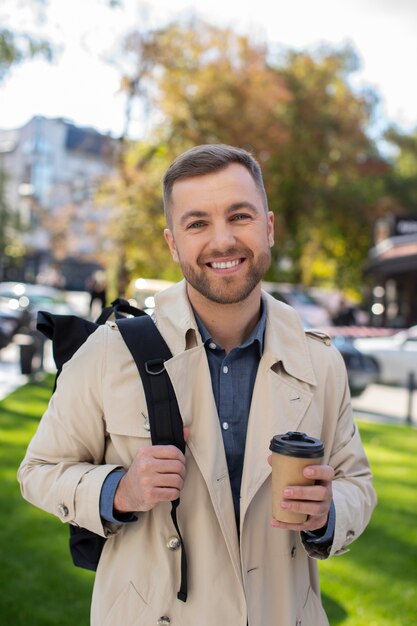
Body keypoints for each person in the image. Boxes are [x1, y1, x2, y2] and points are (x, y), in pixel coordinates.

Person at [18, 144, 376, 626]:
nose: (223, 240)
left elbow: (357, 483)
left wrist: (329, 511)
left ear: (268, 227)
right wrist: (118, 490)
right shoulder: (108, 351)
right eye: (197, 223)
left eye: (240, 216)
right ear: (173, 243)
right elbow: (39, 470)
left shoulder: (321, 360)